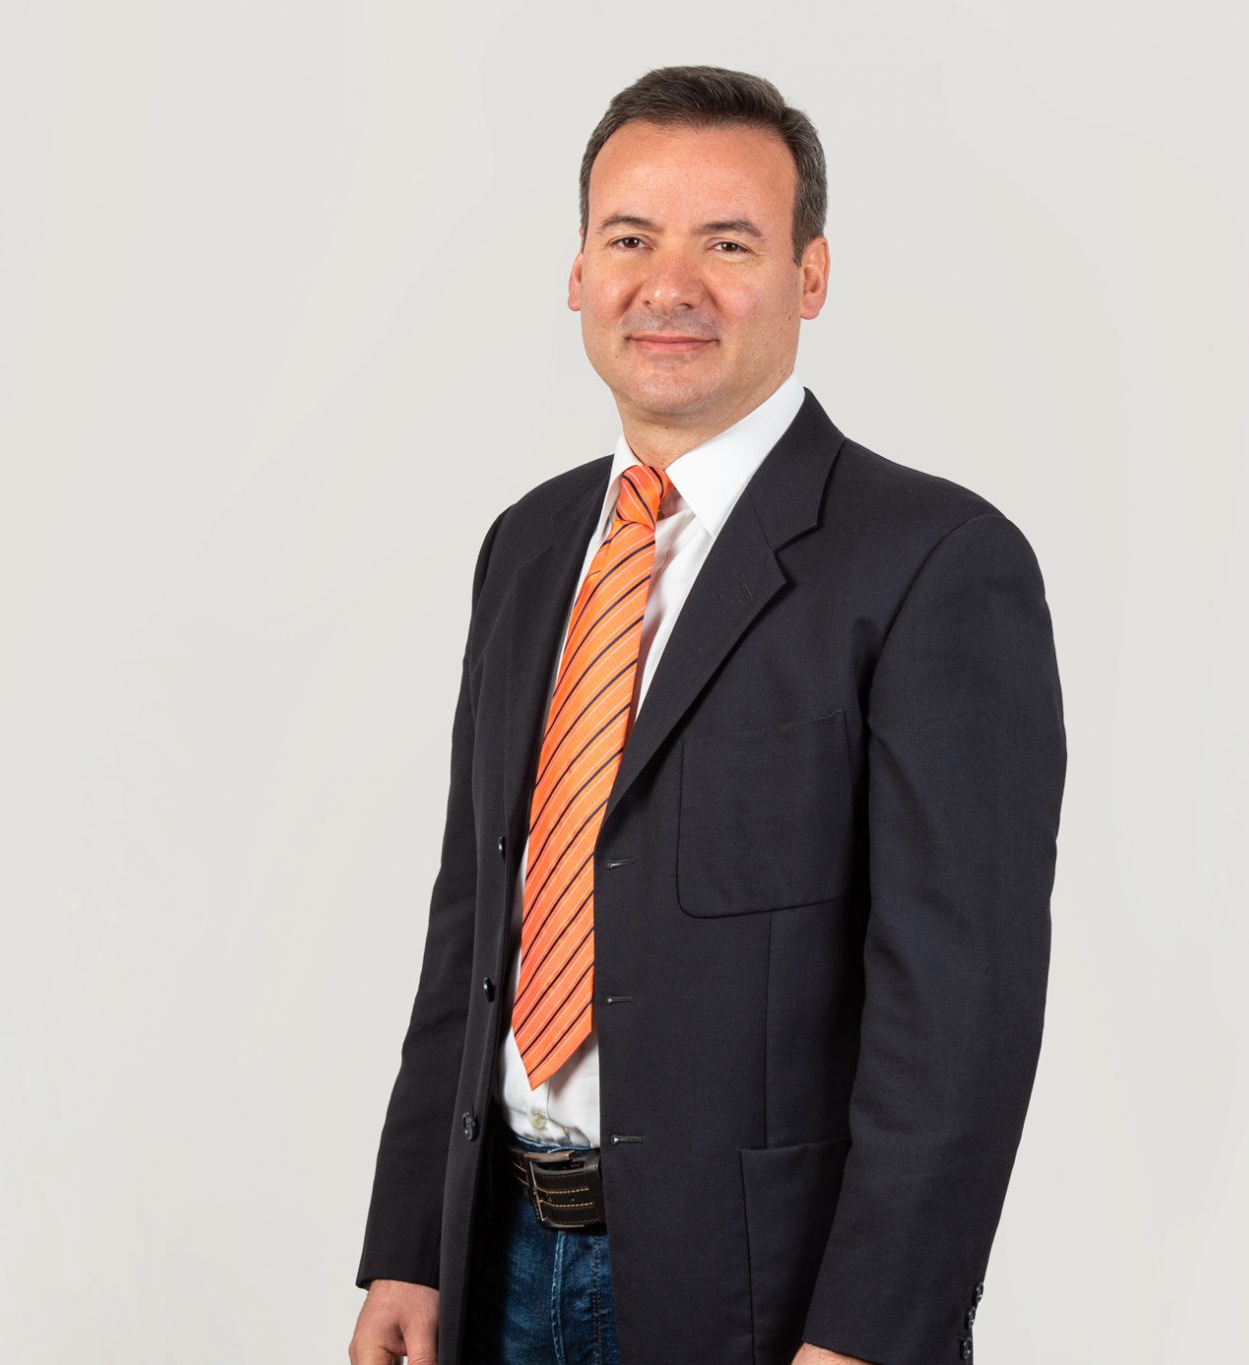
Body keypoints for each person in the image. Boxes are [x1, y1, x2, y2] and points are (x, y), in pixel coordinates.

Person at [347, 64, 1066, 1365]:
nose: (668, 285)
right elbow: (476, 914)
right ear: (578, 272)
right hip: (494, 1262)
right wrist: (411, 1239)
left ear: (810, 274)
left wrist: (872, 1335)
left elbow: (960, 1011)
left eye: (727, 244)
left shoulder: (935, 564)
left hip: (758, 1303)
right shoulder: (530, 547)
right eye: (631, 239)